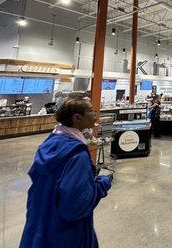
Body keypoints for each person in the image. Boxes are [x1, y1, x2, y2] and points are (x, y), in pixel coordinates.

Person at [20, 98, 112, 248]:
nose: (95, 114)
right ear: (77, 118)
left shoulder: (49, 144)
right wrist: (102, 184)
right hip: (65, 235)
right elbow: (75, 205)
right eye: (91, 111)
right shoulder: (77, 155)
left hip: (40, 224)